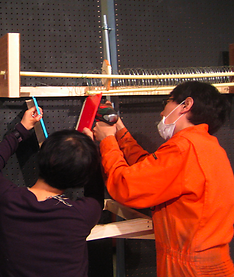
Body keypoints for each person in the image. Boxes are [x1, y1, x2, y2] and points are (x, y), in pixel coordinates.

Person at [84, 81, 234, 276]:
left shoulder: (183, 149)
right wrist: (120, 131)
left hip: (188, 268)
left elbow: (126, 185)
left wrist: (107, 141)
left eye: (167, 102)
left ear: (186, 105)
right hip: (207, 263)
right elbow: (149, 168)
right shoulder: (205, 146)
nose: (162, 113)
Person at [0, 106, 104, 277]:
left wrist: (21, 130)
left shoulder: (7, 200)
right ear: (81, 180)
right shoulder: (83, 214)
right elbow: (96, 197)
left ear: (42, 157)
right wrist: (91, 151)